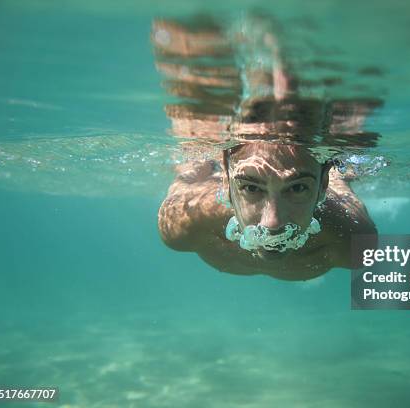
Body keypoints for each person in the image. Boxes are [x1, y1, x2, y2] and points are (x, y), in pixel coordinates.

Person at [153, 14, 380, 280]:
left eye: (297, 188)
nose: (272, 224)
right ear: (226, 181)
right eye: (251, 188)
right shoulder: (184, 224)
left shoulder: (354, 243)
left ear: (322, 186)